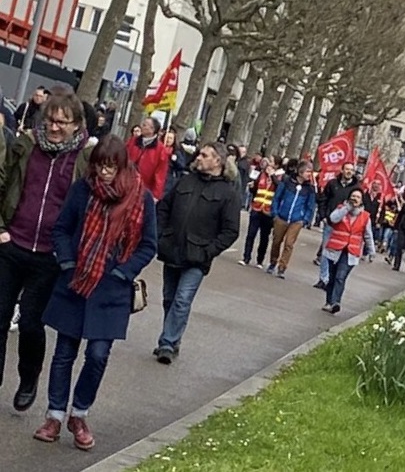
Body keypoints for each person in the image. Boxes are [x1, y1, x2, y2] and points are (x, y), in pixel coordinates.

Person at [32, 136, 157, 450]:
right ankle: (55, 415)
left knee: (98, 355)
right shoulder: (82, 190)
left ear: (122, 166)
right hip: (76, 282)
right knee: (63, 354)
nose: (104, 173)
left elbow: (148, 245)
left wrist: (123, 272)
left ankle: (80, 413)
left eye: (110, 166)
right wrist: (67, 262)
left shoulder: (140, 198)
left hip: (111, 288)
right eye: (100, 166)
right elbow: (61, 229)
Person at [0, 87, 90, 413]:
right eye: (50, 120)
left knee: (30, 326)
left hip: (49, 256)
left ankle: (28, 377)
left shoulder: (83, 160)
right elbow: (2, 182)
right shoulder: (25, 146)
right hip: (12, 243)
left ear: (77, 124)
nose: (54, 127)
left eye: (63, 123)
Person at [153, 142, 241, 364]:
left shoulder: (227, 193)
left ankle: (167, 342)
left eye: (204, 155)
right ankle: (172, 339)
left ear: (217, 161)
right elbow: (163, 207)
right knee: (169, 299)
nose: (198, 157)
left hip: (197, 258)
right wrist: (161, 234)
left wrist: (208, 251)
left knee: (182, 300)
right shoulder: (185, 180)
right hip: (172, 249)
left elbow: (230, 230)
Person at [322, 188, 375, 314]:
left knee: (341, 277)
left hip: (351, 252)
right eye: (353, 196)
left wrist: (371, 251)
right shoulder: (341, 209)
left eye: (358, 197)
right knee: (332, 277)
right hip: (335, 249)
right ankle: (329, 301)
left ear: (361, 201)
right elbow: (333, 219)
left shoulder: (365, 216)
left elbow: (368, 235)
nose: (355, 199)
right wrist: (346, 208)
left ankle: (336, 302)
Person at [267, 161, 315, 278]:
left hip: (296, 220)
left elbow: (310, 205)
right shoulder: (287, 181)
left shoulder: (309, 188)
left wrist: (305, 219)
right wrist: (275, 213)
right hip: (282, 217)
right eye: (308, 171)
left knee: (289, 244)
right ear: (301, 171)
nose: (310, 174)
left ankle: (282, 267)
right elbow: (277, 197)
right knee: (277, 241)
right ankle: (273, 261)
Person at [314, 162, 359, 280]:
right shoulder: (332, 184)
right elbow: (323, 200)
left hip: (345, 227)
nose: (349, 172)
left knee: (338, 254)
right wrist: (323, 216)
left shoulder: (356, 189)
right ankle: (323, 279)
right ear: (342, 170)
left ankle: (333, 277)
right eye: (347, 169)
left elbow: (360, 207)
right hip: (330, 223)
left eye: (351, 170)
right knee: (326, 251)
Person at [239, 158, 275, 268]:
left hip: (268, 211)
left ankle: (260, 260)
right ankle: (246, 257)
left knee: (264, 237)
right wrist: (252, 187)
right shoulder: (260, 175)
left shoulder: (279, 177)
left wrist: (272, 176)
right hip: (257, 208)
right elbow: (255, 189)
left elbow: (278, 187)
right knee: (251, 234)